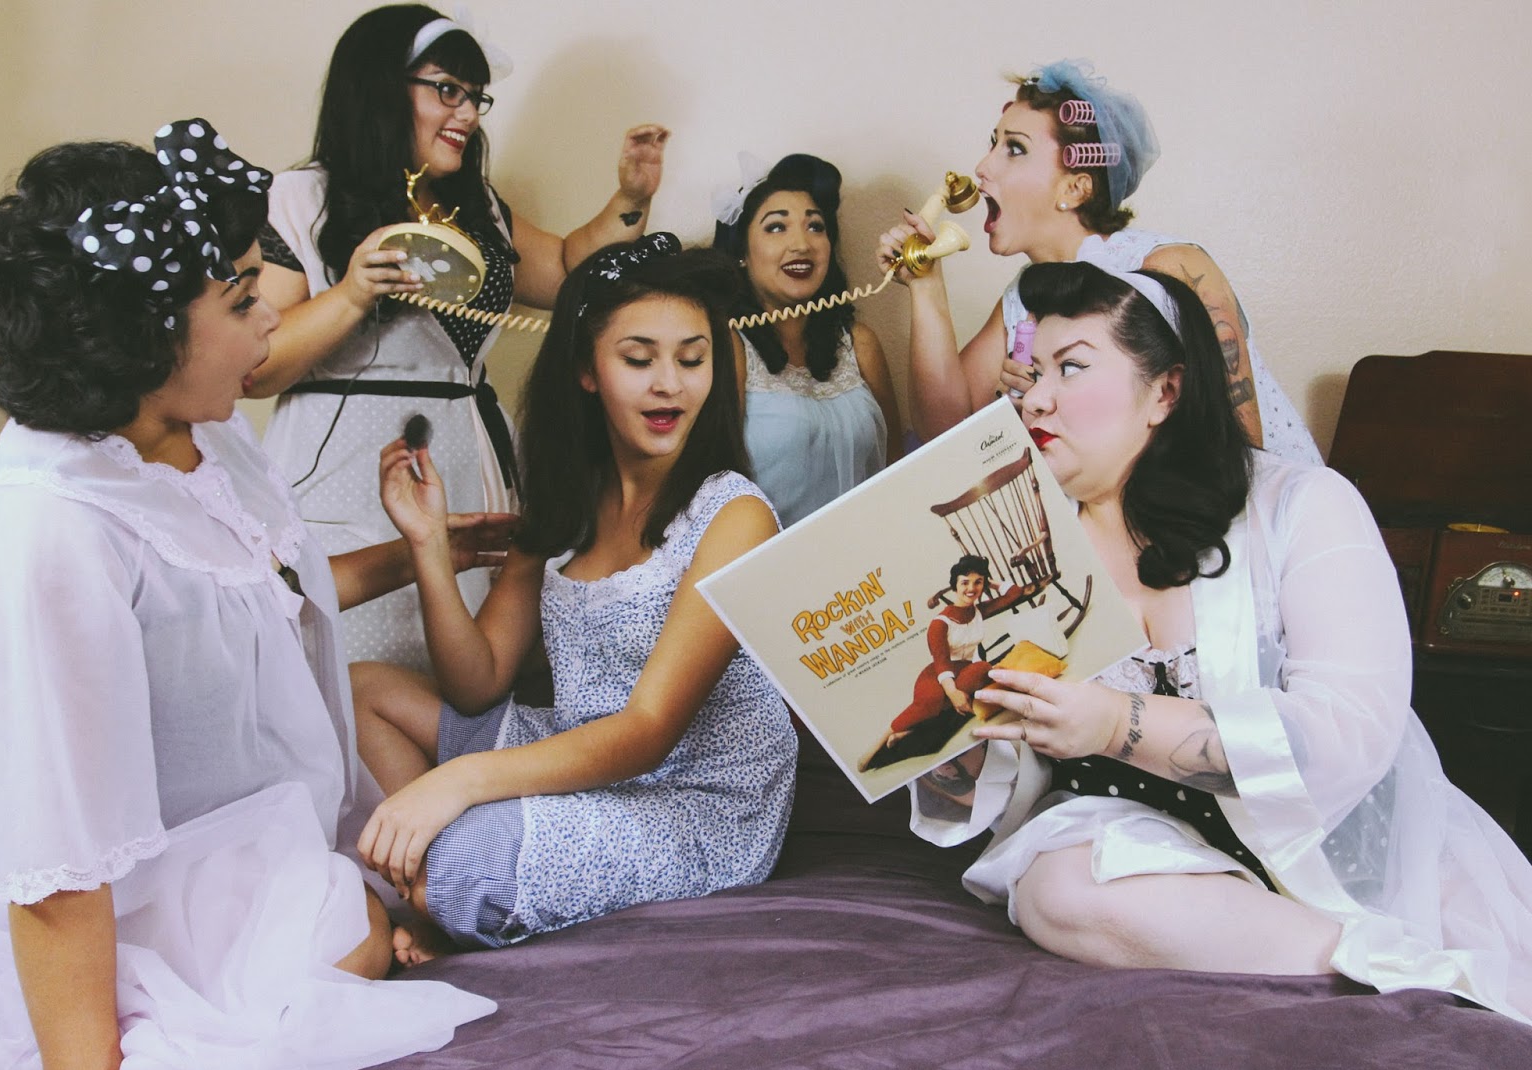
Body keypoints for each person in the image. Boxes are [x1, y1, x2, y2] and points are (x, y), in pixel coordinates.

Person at [0, 121, 507, 1070]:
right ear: (145, 334)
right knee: (348, 932)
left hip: (222, 849)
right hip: (100, 901)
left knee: (355, 912)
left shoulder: (201, 434)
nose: (272, 321)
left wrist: (420, 553)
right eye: (242, 299)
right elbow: (55, 870)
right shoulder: (45, 538)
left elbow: (251, 595)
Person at [909, 260, 1532, 1025]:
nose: (1035, 397)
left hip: (1336, 849)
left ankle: (1402, 961)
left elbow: (1347, 734)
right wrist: (957, 739)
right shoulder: (1017, 554)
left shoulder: (1303, 505)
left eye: (1070, 367)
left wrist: (1114, 722)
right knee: (1055, 887)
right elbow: (1002, 782)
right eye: (1034, 371)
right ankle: (1365, 964)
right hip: (1148, 850)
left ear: (1165, 392)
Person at [352, 235, 798, 962]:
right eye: (638, 359)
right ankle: (434, 883)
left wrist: (460, 783)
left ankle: (436, 890)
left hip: (694, 801)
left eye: (692, 359)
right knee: (364, 690)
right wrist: (428, 547)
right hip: (578, 748)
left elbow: (649, 730)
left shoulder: (734, 514)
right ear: (588, 370)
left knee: (457, 854)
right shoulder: (569, 502)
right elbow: (477, 681)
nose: (670, 385)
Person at [253, 4, 671, 668]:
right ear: (380, 88)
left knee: (463, 670)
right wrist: (352, 293)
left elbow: (567, 270)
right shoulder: (300, 199)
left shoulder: (478, 207)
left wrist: (630, 198)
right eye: (448, 90)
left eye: (476, 96)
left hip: (468, 463)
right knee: (355, 675)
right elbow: (258, 363)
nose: (469, 114)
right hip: (346, 473)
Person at [878, 59, 1322, 465]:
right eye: (993, 144)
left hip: (1243, 509)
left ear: (1074, 189)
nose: (982, 167)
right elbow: (944, 430)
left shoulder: (1174, 269)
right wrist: (926, 285)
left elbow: (1242, 450)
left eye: (1014, 149)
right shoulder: (1023, 298)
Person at [712, 153, 902, 526]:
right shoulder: (729, 345)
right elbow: (715, 485)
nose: (802, 244)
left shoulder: (859, 343)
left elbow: (897, 464)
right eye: (776, 227)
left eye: (815, 226)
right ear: (741, 253)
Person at [859, 554, 1021, 771]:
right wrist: (952, 692)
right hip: (937, 674)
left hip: (964, 670)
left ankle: (906, 734)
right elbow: (941, 663)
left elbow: (1015, 593)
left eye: (978, 582)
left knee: (982, 669)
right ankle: (877, 745)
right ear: (955, 585)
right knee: (932, 701)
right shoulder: (939, 623)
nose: (971, 588)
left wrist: (990, 581)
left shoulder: (978, 611)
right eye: (965, 582)